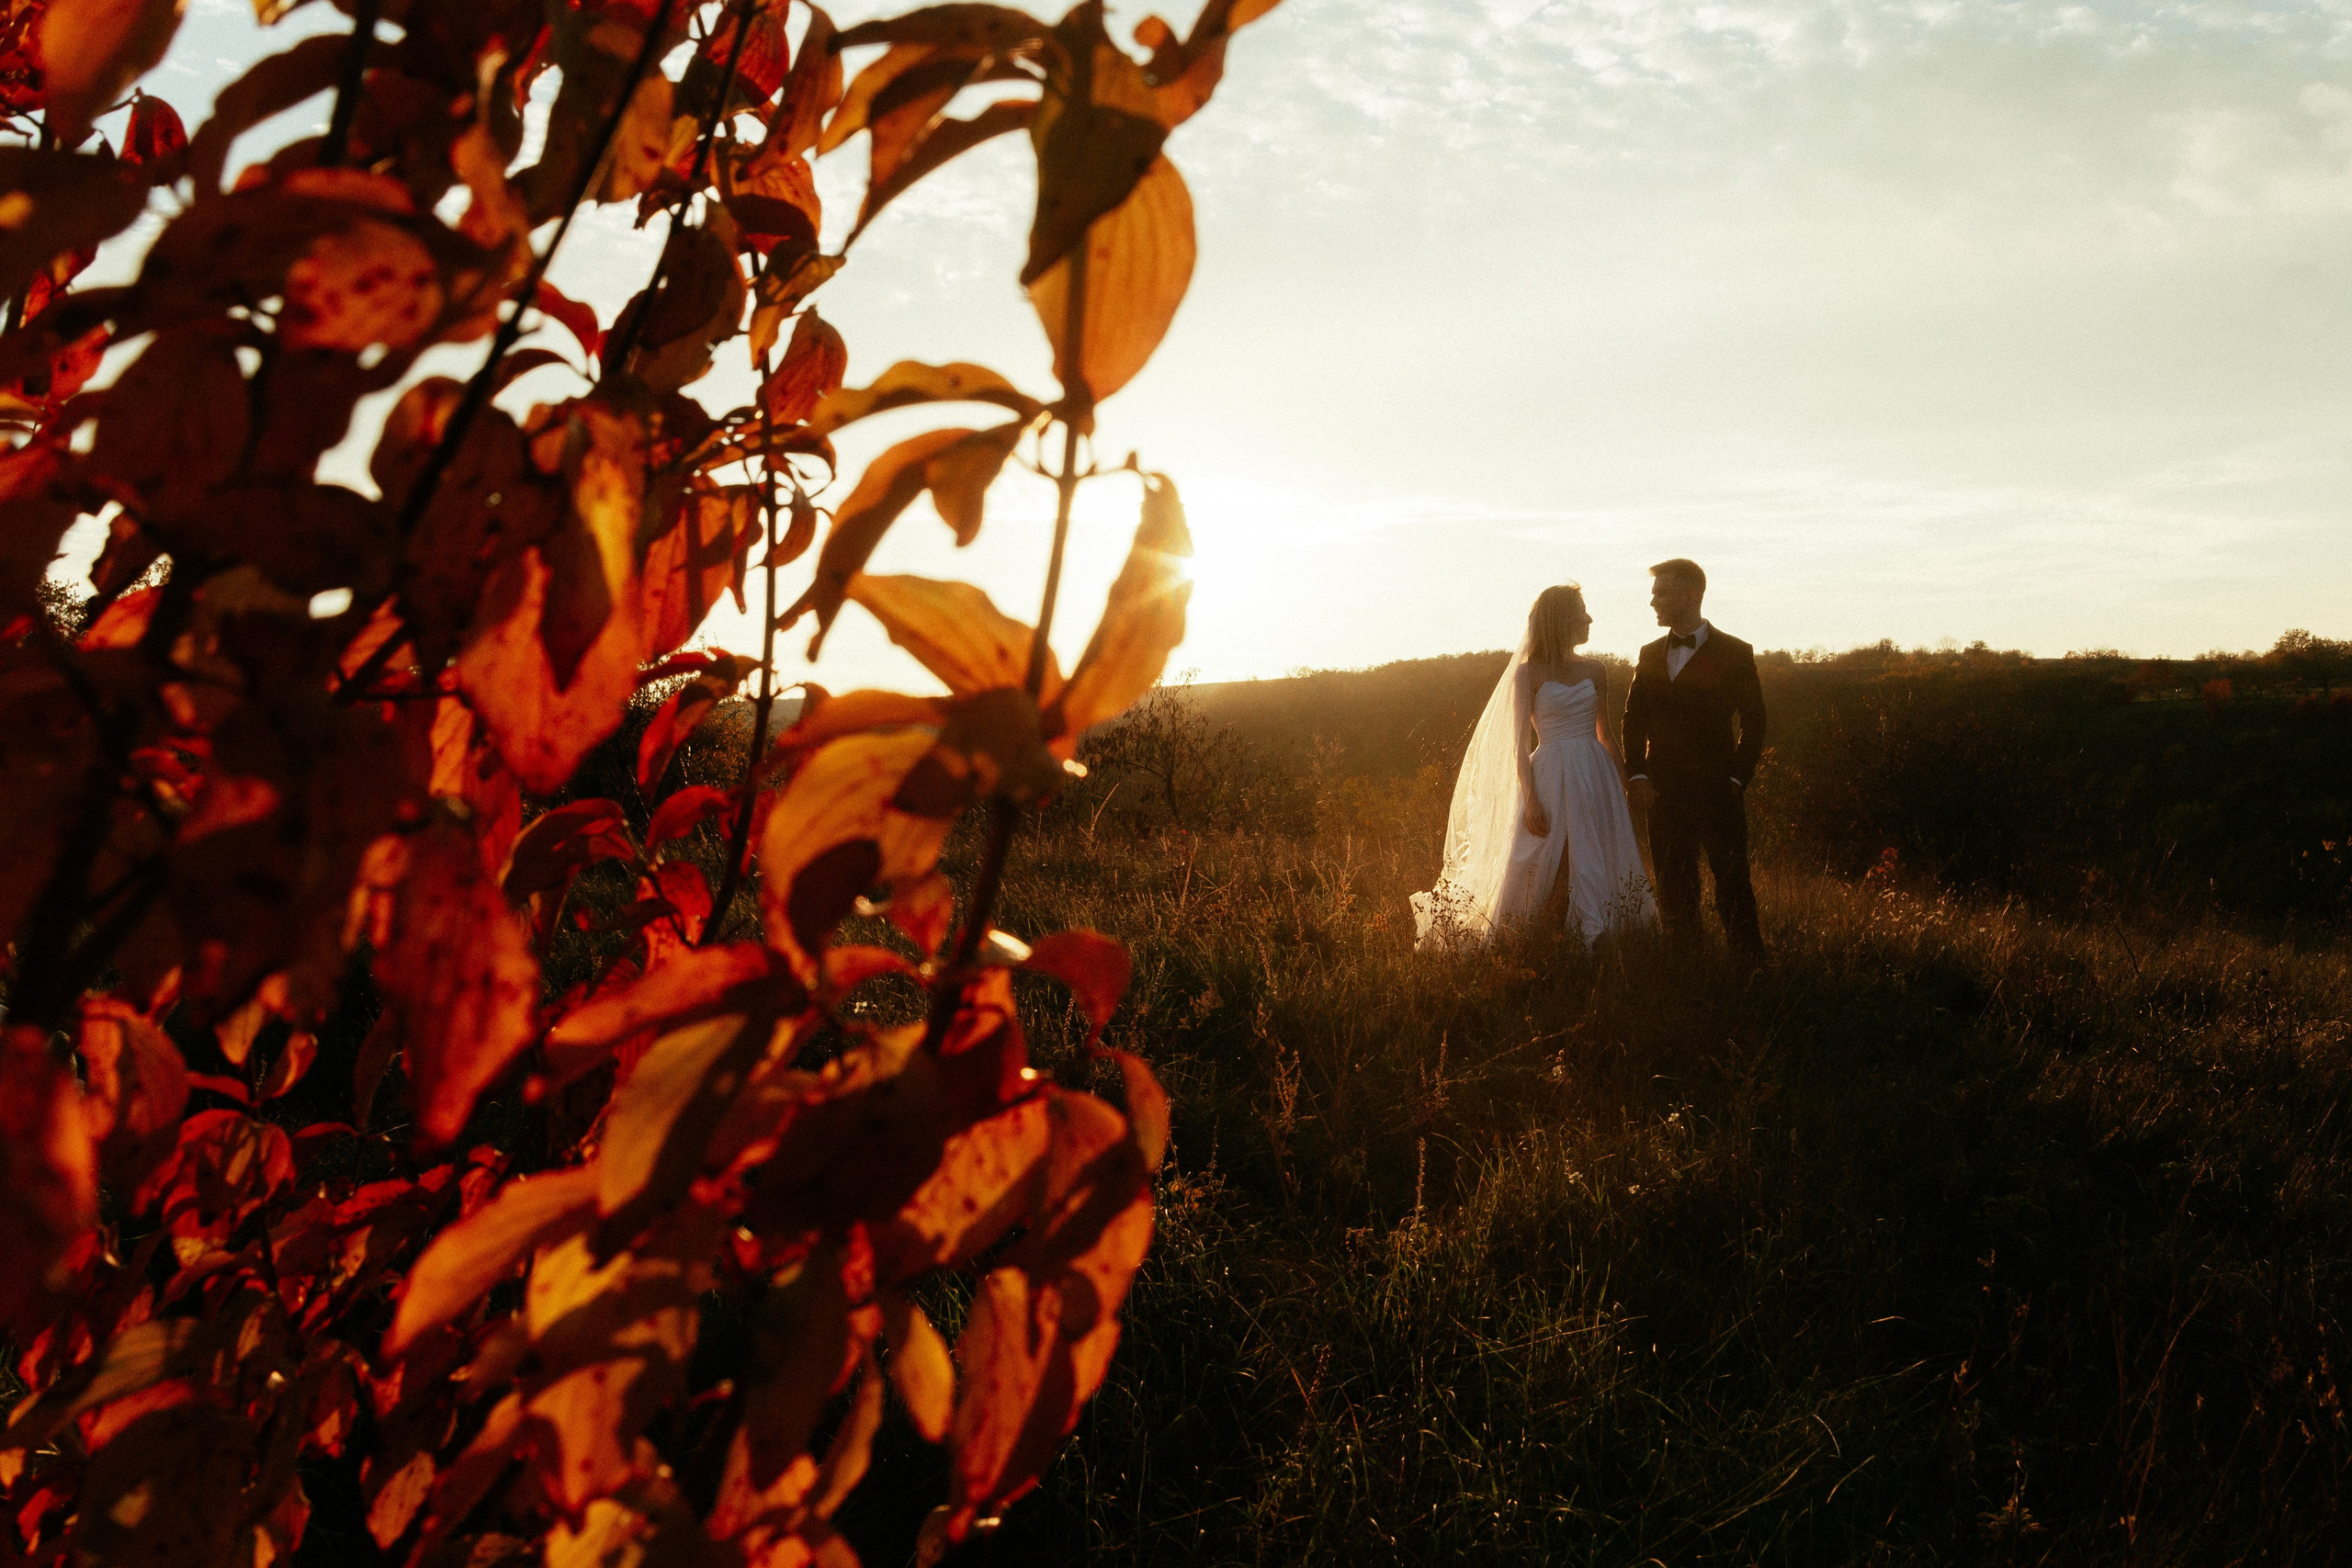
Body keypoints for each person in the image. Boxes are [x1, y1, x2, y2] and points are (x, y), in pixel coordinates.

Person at [1412, 584, 1657, 949]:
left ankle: (1592, 939)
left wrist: (1625, 784)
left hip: (1594, 774)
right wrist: (1531, 800)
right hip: (1550, 774)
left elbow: (1605, 733)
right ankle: (1549, 941)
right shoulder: (1528, 673)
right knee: (1553, 861)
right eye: (1582, 613)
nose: (1590, 619)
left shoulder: (1596, 669)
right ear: (1561, 619)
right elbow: (1519, 743)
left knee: (1591, 856)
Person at [1622, 558, 1767, 960]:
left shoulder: (1736, 652)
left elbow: (1754, 721)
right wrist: (1637, 775)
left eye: (1661, 593)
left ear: (1691, 595)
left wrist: (1737, 779)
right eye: (1654, 594)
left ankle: (1750, 967)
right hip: (1662, 791)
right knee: (1673, 884)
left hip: (1717, 788)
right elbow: (1633, 719)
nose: (1653, 602)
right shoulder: (1649, 653)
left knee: (1733, 880)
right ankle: (1687, 966)